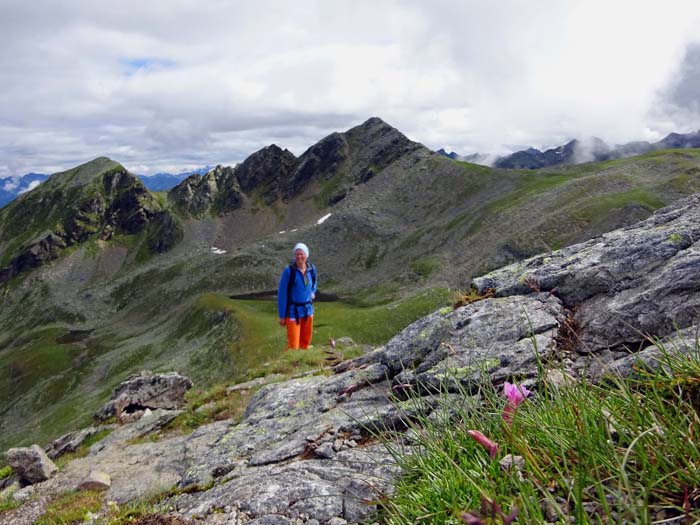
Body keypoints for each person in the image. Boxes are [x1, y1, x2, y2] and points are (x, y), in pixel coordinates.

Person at [277, 242, 317, 350]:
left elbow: (314, 283)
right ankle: (290, 365)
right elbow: (282, 294)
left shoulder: (311, 269)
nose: (299, 256)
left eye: (301, 253)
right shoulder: (289, 272)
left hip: (308, 310)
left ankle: (302, 364)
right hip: (293, 312)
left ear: (306, 255)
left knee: (305, 342)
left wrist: (312, 292)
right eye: (297, 254)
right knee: (293, 345)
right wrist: (282, 316)